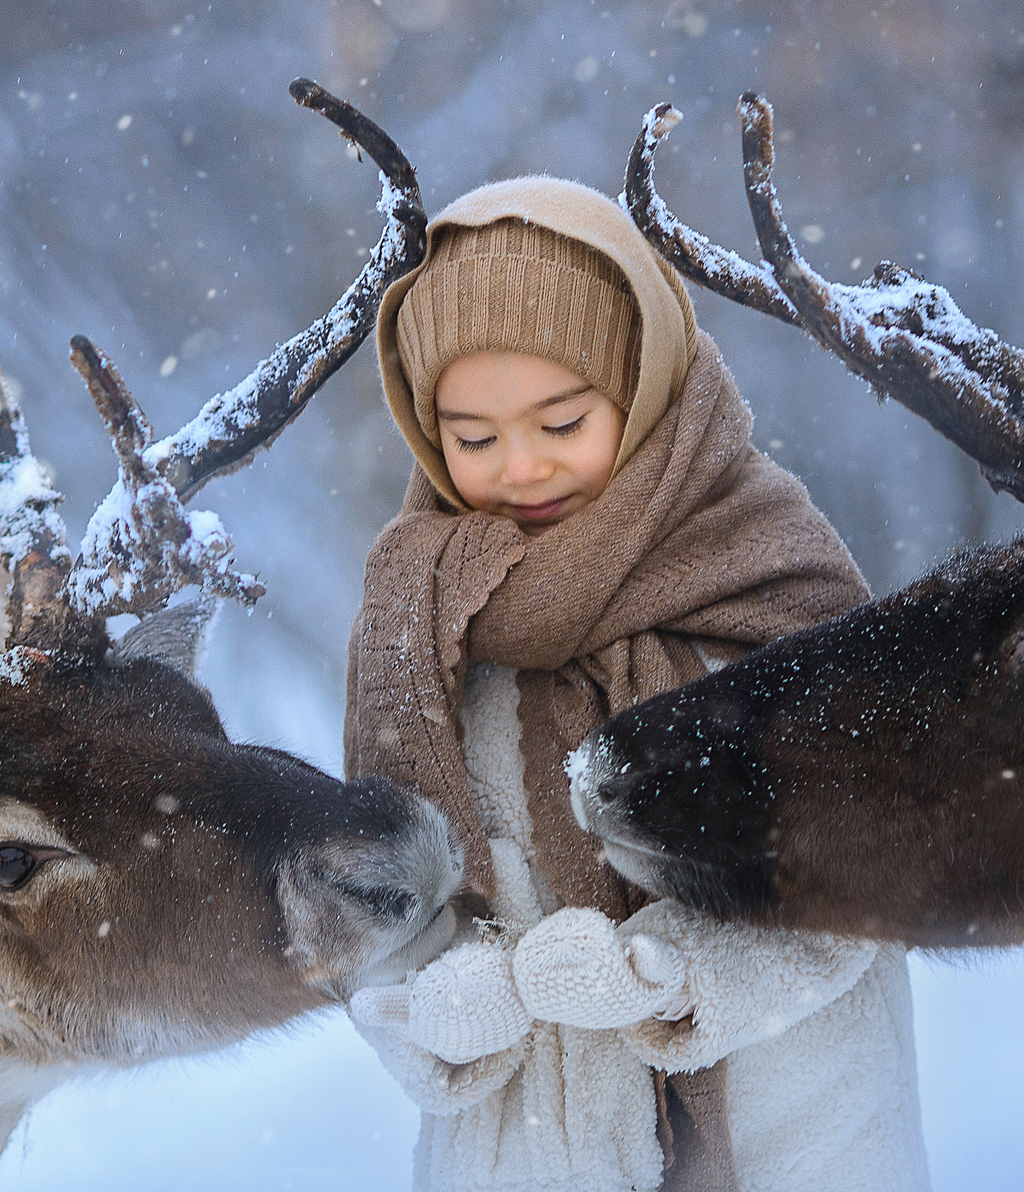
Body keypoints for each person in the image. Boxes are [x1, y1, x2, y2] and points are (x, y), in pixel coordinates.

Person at [344, 175, 930, 1192]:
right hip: (527, 1155)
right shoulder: (418, 620)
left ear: (644, 385)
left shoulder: (764, 570)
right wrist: (435, 999)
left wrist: (671, 974)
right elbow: (369, 889)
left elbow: (865, 863)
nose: (520, 467)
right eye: (473, 438)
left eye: (561, 422)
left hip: (795, 1131)